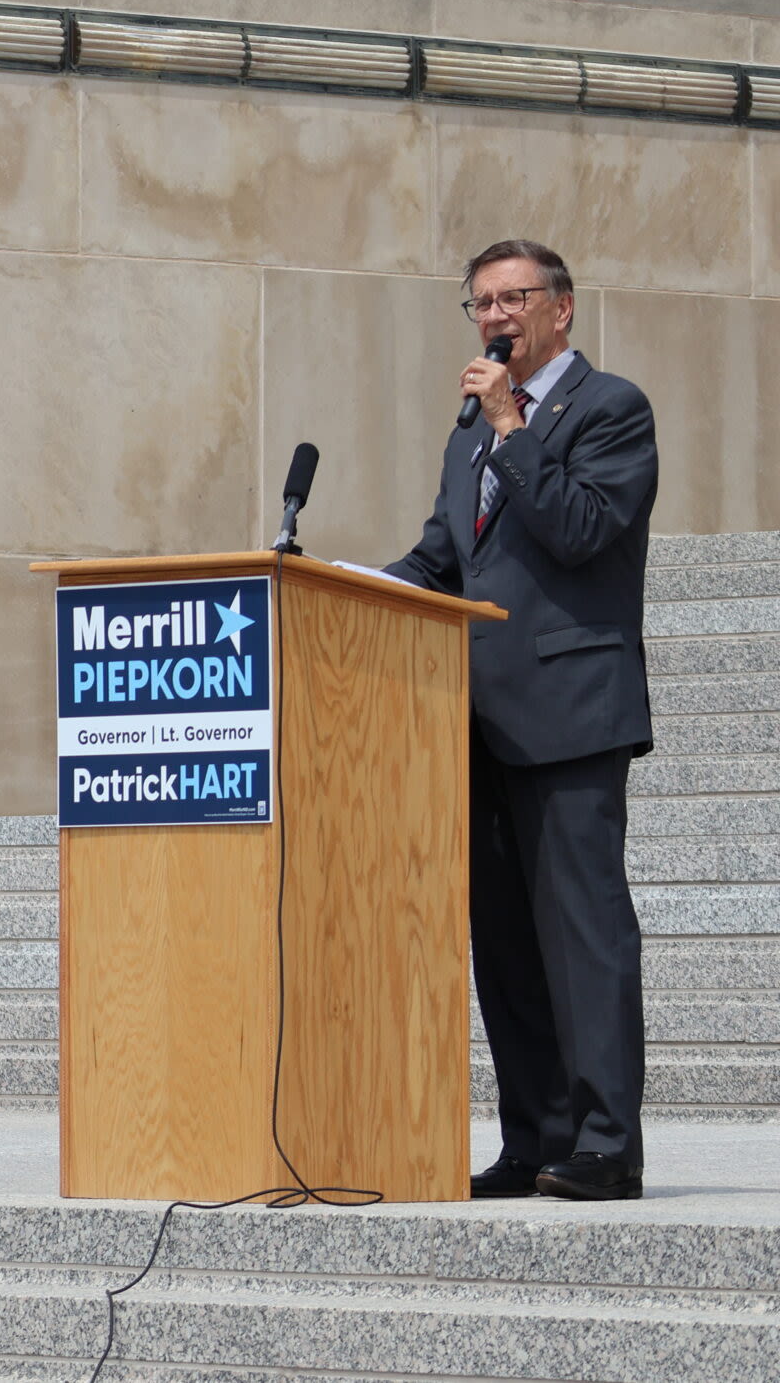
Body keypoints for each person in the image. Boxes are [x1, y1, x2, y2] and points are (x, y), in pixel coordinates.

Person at [384, 239, 656, 1202]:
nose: (496, 317)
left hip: (574, 714)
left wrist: (512, 426)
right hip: (476, 723)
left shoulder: (610, 409)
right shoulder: (469, 435)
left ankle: (605, 1143)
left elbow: (583, 527)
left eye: (514, 298)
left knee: (584, 934)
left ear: (563, 309)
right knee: (503, 941)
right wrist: (333, 588)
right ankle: (536, 1133)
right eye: (482, 303)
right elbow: (437, 562)